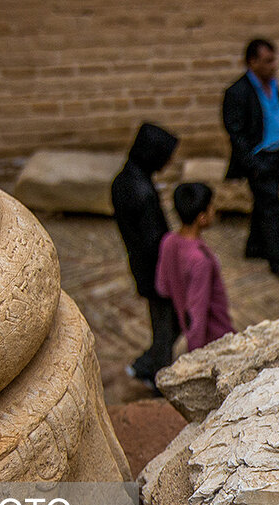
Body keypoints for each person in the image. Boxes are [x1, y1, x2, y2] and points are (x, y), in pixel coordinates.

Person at [110, 122, 180, 388]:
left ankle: (145, 365)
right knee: (167, 325)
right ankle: (158, 378)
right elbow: (154, 240)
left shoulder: (124, 180)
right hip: (155, 270)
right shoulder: (140, 192)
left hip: (142, 265)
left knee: (167, 322)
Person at [222, 38, 279, 282]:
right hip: (259, 159)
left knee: (263, 203)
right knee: (273, 209)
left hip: (277, 154)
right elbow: (236, 133)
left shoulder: (272, 84)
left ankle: (254, 246)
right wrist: (253, 164)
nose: (273, 65)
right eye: (267, 61)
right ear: (252, 62)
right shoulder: (238, 92)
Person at [156, 183, 236, 352]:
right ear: (202, 217)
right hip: (214, 336)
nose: (214, 210)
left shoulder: (169, 241)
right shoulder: (200, 261)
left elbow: (162, 287)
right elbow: (198, 312)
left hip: (184, 321)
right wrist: (196, 353)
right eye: (211, 207)